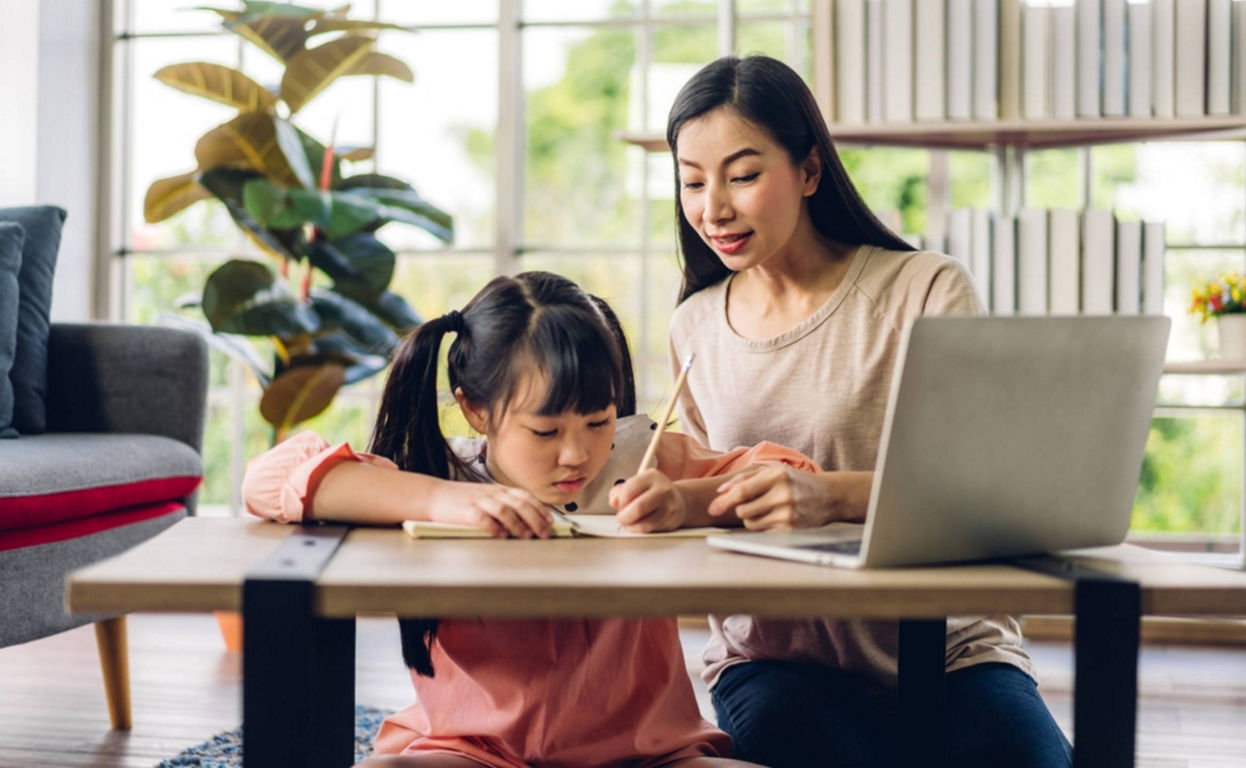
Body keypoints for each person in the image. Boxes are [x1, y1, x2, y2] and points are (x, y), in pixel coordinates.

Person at [662, 55, 1074, 768]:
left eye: (743, 174)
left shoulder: (925, 289)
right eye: (693, 182)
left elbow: (982, 489)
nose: (713, 209)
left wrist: (829, 495)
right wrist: (672, 499)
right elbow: (708, 495)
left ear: (810, 171)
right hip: (773, 660)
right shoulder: (693, 326)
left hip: (952, 650)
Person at [241, 271, 818, 768]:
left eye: (597, 421)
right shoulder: (440, 476)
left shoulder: (643, 459)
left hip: (650, 756)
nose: (576, 454)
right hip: (470, 751)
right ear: (473, 407)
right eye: (545, 431)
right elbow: (268, 480)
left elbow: (793, 475)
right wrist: (445, 501)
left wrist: (686, 501)